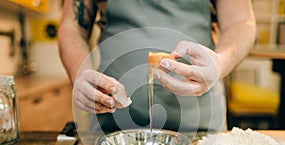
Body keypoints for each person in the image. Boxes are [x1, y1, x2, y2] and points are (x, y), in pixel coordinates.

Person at [58, 0, 256, 133]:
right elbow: (72, 26)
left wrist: (220, 61)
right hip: (112, 124)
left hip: (199, 124)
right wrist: (80, 73)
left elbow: (241, 21)